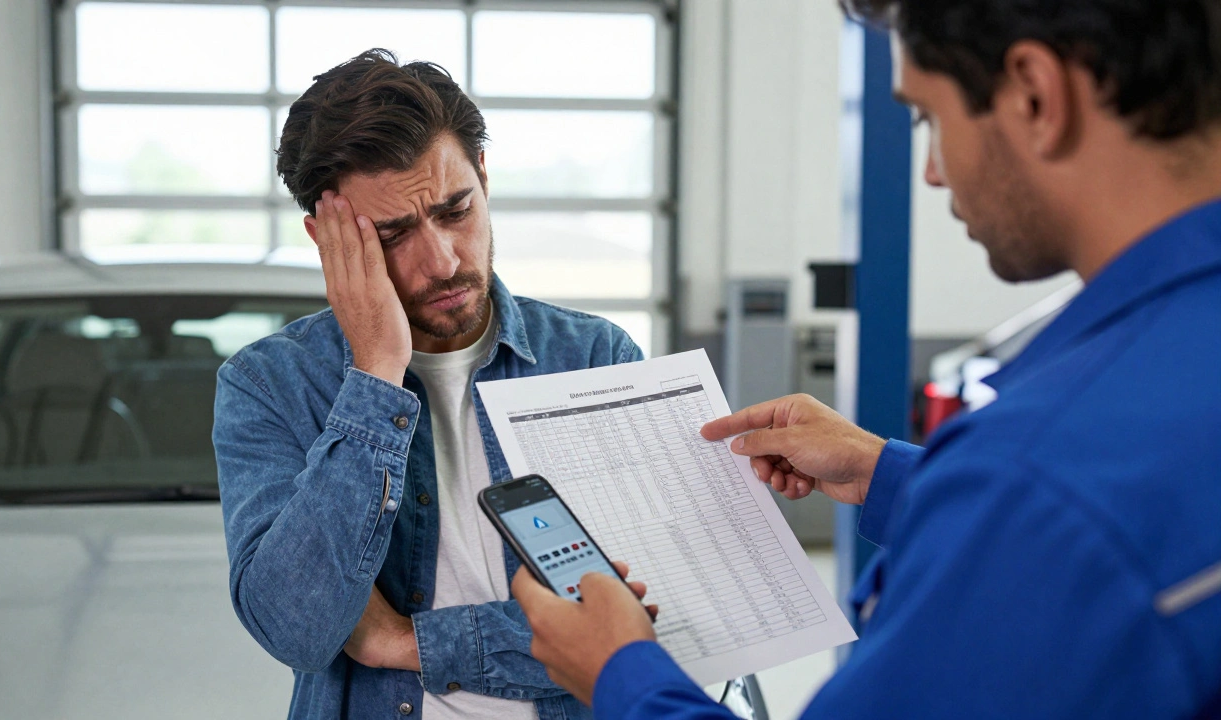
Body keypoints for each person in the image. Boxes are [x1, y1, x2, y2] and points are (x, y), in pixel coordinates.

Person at [511, 0, 1221, 717]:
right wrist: (892, 474)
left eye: (927, 117)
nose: (934, 173)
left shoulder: (1032, 478)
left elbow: (1057, 520)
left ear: (1035, 94)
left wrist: (620, 672)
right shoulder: (1090, 456)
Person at [212, 49, 640, 719]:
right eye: (393, 233)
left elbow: (642, 628)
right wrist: (376, 375)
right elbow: (295, 629)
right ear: (326, 241)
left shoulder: (594, 359)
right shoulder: (270, 384)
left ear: (485, 183)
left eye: (455, 210)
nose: (442, 260)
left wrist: (401, 642)